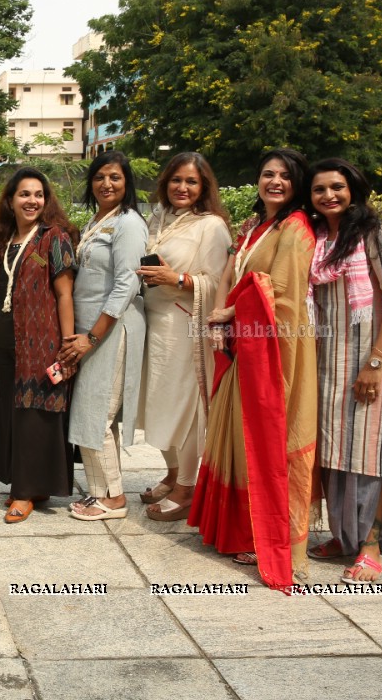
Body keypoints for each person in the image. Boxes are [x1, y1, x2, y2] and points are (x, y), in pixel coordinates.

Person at [188, 148, 317, 590]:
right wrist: (225, 312)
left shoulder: (296, 229)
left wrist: (232, 313)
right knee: (236, 440)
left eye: (284, 175)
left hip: (275, 350)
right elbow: (237, 275)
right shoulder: (258, 226)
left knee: (264, 443)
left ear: (297, 183)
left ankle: (267, 537)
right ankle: (239, 528)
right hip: (245, 345)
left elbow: (280, 296)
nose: (275, 182)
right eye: (267, 174)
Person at [306, 158, 382, 583]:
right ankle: (344, 537)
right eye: (319, 189)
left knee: (372, 455)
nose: (328, 196)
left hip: (378, 361)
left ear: (354, 188)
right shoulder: (318, 241)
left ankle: (371, 544)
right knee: (337, 455)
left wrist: (374, 364)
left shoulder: (380, 236)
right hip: (329, 363)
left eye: (336, 187)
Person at [135, 153, 233, 522]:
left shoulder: (211, 226)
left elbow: (221, 280)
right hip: (154, 324)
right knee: (159, 405)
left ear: (204, 187)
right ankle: (173, 473)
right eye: (177, 180)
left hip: (185, 325)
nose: (182, 188)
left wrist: (178, 279)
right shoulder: (158, 217)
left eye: (191, 182)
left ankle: (188, 488)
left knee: (186, 408)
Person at [0, 168, 78, 524]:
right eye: (24, 194)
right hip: (3, 341)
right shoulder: (2, 241)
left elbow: (65, 293)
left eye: (38, 194)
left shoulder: (55, 238)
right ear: (10, 200)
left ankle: (25, 492)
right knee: (10, 412)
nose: (31, 201)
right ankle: (27, 484)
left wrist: (67, 345)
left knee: (34, 415)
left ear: (46, 200)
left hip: (41, 342)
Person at [60, 151, 148, 522]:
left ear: (127, 182)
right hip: (91, 329)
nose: (106, 184)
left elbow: (127, 282)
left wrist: (92, 337)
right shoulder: (98, 220)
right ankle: (99, 492)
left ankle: (113, 497)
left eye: (114, 177)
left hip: (110, 328)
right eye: (99, 177)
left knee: (98, 411)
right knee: (90, 412)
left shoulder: (128, 223)